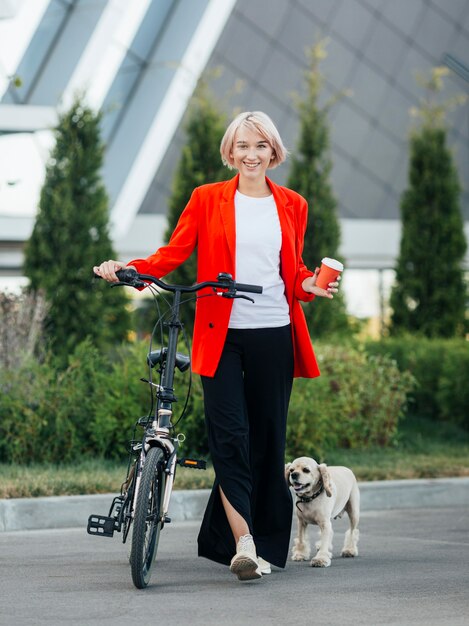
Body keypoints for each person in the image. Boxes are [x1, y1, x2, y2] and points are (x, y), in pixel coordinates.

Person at [94, 111, 340, 582]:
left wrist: (312, 285)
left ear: (273, 152)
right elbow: (174, 252)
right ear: (230, 152)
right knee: (229, 438)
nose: (251, 154)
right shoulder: (206, 199)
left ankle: (267, 540)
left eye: (260, 146)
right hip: (219, 334)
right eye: (242, 146)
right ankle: (244, 544)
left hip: (274, 331)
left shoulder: (292, 204)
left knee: (267, 440)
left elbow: (293, 272)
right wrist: (130, 269)